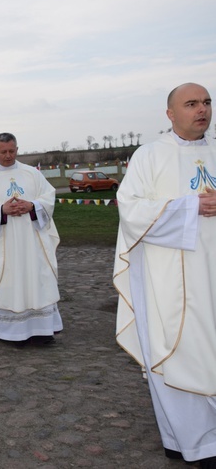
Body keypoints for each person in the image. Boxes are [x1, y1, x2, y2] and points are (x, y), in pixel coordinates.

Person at [114, 82, 216, 467]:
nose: (202, 109)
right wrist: (189, 208)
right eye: (191, 103)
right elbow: (131, 210)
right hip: (171, 277)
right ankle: (191, 440)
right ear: (170, 114)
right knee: (178, 349)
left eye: (206, 102)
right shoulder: (150, 155)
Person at [0, 133, 62, 345]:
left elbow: (48, 198)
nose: (8, 156)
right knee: (9, 281)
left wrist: (32, 206)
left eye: (12, 151)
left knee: (37, 279)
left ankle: (42, 330)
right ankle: (11, 332)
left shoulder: (32, 174)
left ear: (17, 149)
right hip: (4, 244)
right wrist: (1, 209)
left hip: (33, 242)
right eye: (3, 152)